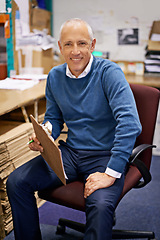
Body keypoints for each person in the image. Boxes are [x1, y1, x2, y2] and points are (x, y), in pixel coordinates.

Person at [6, 18, 142, 240]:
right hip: (71, 153)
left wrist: (110, 174)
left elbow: (130, 124)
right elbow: (54, 117)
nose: (75, 51)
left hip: (105, 155)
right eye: (68, 44)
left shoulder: (109, 73)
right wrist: (46, 132)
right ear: (60, 47)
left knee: (99, 205)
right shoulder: (55, 76)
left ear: (92, 45)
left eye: (82, 43)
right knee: (16, 182)